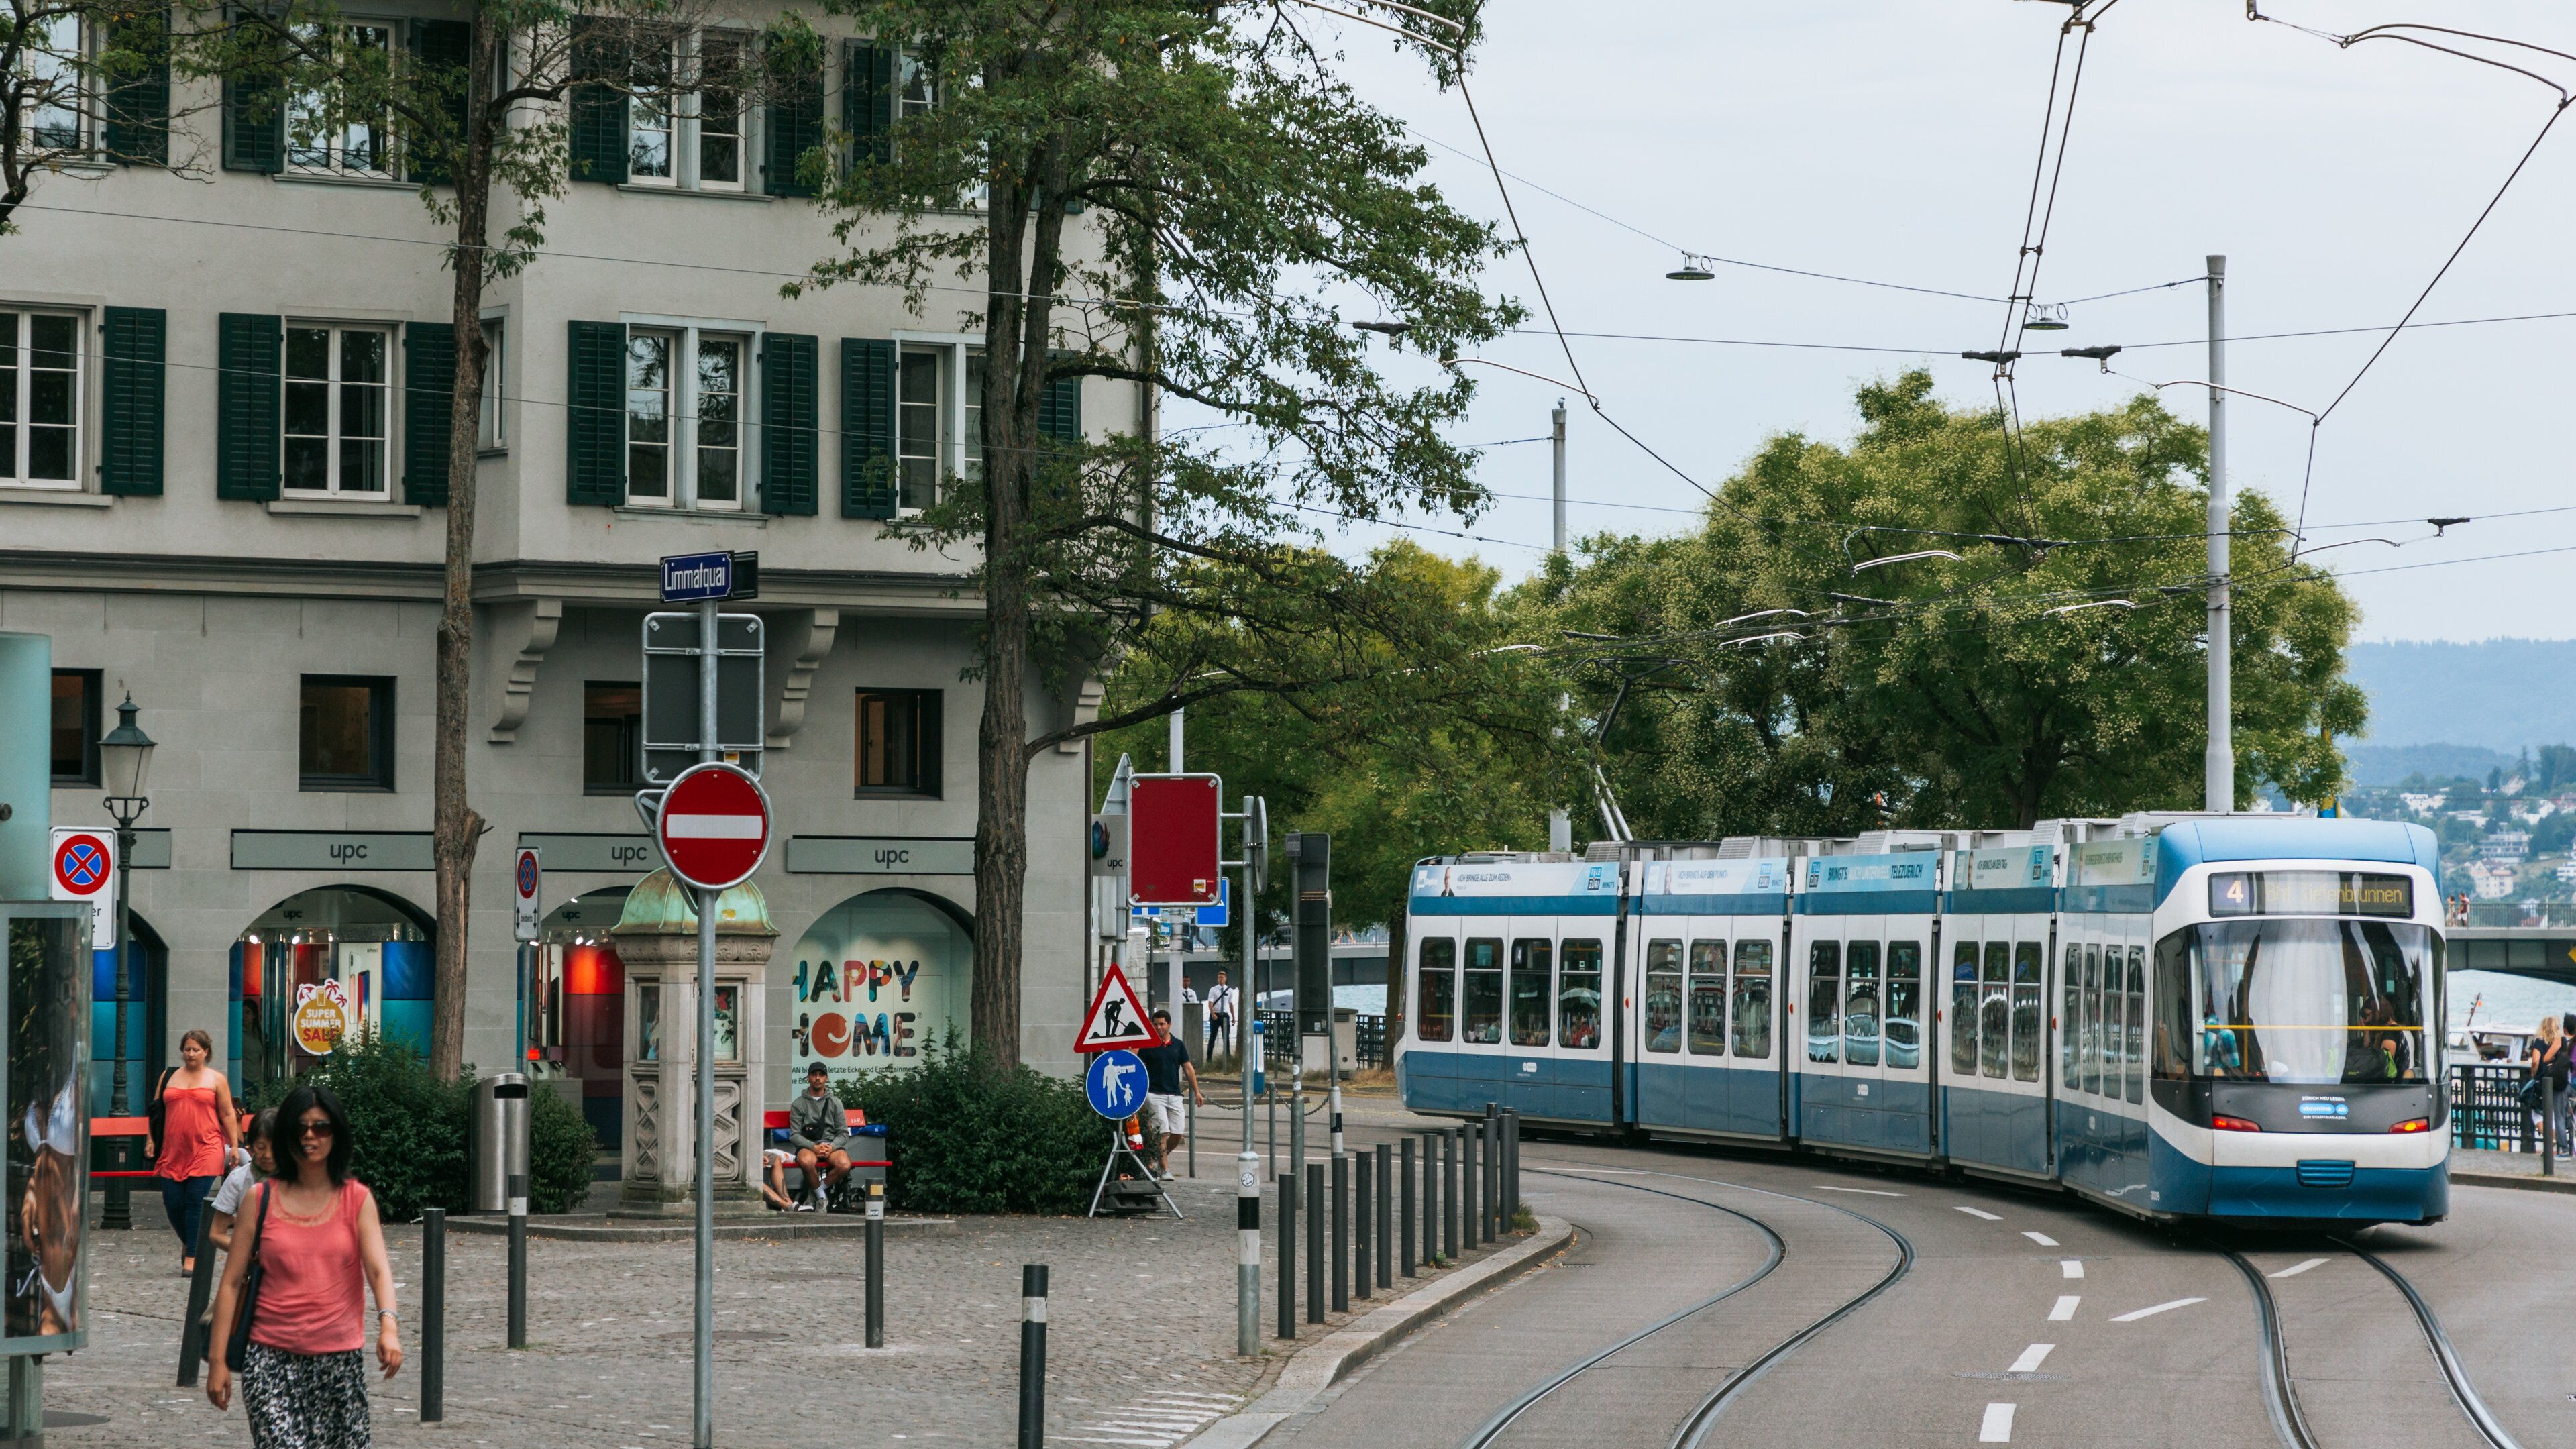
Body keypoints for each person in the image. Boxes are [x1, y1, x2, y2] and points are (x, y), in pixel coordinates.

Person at [205, 1084, 402, 1448]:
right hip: (269, 1361)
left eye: (321, 1127)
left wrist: (388, 1326)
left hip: (339, 1363)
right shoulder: (259, 1199)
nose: (310, 1136)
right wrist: (217, 1361)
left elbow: (378, 1270)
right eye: (300, 1127)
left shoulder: (356, 1200)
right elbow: (231, 1283)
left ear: (336, 1133)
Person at [150, 1029, 241, 1275]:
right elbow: (157, 1112)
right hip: (173, 1150)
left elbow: (227, 1113)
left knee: (195, 1202)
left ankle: (192, 1256)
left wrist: (233, 1144)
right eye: (187, 1049)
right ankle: (190, 1241)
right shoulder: (169, 1076)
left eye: (196, 1050)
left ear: (206, 1052)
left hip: (207, 1146)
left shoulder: (216, 1078)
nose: (191, 1054)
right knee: (173, 1203)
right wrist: (151, 1139)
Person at [1135, 1008, 1203, 1181]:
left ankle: (1157, 1157)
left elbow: (1188, 1068)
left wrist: (1197, 1092)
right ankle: (1164, 1170)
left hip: (1174, 1094)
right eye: (1155, 1024)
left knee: (1177, 1134)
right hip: (1154, 1094)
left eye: (1162, 1024)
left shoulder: (1178, 1045)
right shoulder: (1148, 1044)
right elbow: (1135, 1062)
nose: (1158, 1028)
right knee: (1162, 1132)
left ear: (1169, 1024)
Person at [206, 1109, 280, 1254]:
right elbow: (216, 1234)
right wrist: (251, 1252)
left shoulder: (300, 1178)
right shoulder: (238, 1179)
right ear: (250, 1146)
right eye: (261, 1147)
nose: (268, 1155)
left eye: (276, 1148)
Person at [787, 1063, 852, 1210]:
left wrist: (832, 1147)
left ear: (827, 1078)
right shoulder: (798, 1104)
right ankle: (822, 1197)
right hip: (808, 1145)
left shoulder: (835, 1103)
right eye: (814, 1075)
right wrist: (814, 1147)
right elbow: (794, 1135)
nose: (818, 1078)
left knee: (845, 1164)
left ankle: (815, 1190)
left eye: (821, 1075)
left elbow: (843, 1133)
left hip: (831, 1145)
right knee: (806, 1160)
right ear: (808, 1078)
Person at [1205, 969, 1238, 1059]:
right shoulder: (1213, 990)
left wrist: (1233, 1018)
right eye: (1219, 977)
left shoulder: (1230, 990)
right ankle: (1209, 1056)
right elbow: (1210, 1003)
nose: (1220, 979)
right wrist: (1212, 1014)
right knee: (1213, 1036)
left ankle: (1227, 1055)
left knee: (1226, 1036)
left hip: (1224, 1015)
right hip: (1215, 1014)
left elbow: (1231, 1004)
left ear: (1225, 979)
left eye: (1222, 977)